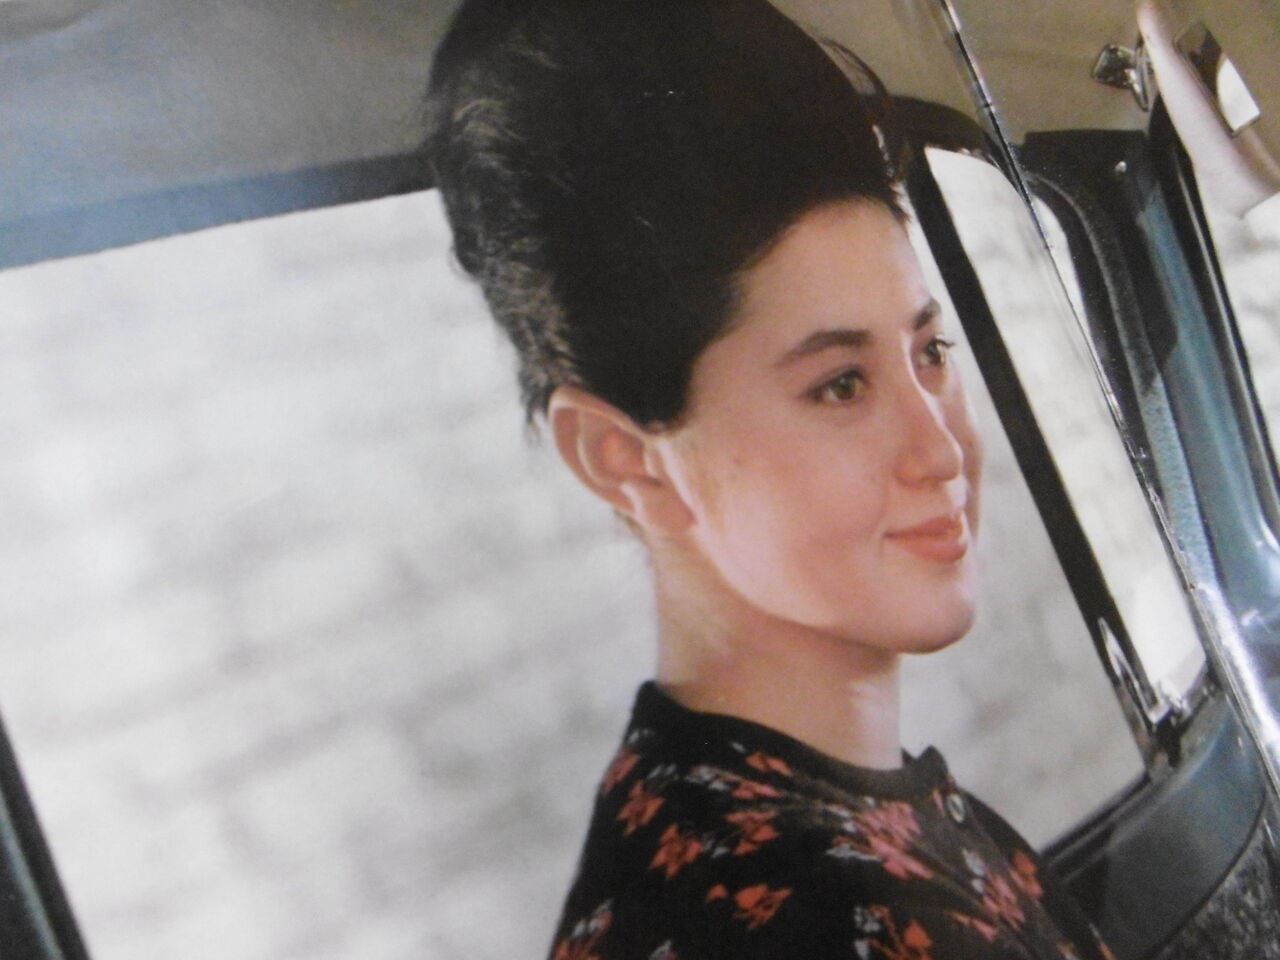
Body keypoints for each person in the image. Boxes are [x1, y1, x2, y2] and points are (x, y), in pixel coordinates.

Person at [425, 1, 1114, 957]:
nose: (942, 450)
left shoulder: (827, 826)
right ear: (627, 461)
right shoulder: (775, 915)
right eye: (841, 385)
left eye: (930, 351)